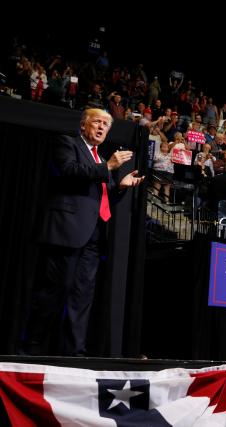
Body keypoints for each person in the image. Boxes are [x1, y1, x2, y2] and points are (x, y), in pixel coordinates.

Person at [23, 109, 144, 356]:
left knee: (81, 297)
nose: (102, 127)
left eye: (106, 125)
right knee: (54, 291)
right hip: (66, 232)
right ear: (83, 126)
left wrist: (120, 187)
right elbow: (68, 171)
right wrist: (108, 166)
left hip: (93, 236)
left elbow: (99, 196)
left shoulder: (99, 158)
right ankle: (30, 349)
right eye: (97, 122)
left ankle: (74, 353)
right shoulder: (67, 143)